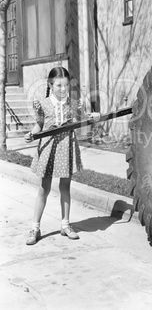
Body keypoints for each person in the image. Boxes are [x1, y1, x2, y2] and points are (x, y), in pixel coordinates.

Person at [24, 66, 100, 245]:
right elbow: (39, 126)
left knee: (65, 187)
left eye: (66, 86)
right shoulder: (42, 104)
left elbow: (81, 121)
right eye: (59, 86)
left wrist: (92, 117)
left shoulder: (73, 104)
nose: (63, 89)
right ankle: (35, 227)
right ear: (50, 85)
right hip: (49, 148)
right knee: (44, 188)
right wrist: (31, 134)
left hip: (66, 147)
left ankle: (65, 225)